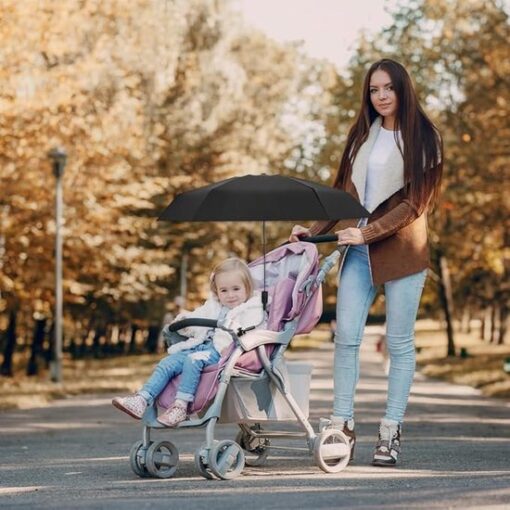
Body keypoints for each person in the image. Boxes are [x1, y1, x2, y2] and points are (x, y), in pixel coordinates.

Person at [290, 59, 443, 467]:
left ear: (403, 89)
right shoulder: (362, 135)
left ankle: (390, 431)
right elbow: (344, 193)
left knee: (398, 343)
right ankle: (343, 423)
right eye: (374, 90)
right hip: (357, 251)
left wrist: (368, 232)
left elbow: (414, 205)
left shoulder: (426, 138)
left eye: (389, 88)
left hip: (403, 254)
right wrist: (314, 231)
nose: (381, 96)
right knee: (347, 339)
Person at [112, 257, 265, 427]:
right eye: (224, 290)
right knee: (167, 362)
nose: (230, 295)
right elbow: (196, 317)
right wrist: (184, 323)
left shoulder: (252, 309)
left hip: (223, 351)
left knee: (194, 360)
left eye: (236, 289)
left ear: (247, 288)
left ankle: (180, 407)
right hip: (200, 346)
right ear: (217, 291)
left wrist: (236, 329)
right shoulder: (213, 306)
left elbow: (253, 331)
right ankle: (142, 399)